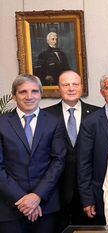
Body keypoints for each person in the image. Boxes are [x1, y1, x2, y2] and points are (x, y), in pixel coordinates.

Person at [0, 74, 66, 233]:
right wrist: (22, 200)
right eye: (23, 92)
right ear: (14, 96)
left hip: (45, 205)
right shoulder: (2, 123)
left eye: (34, 91)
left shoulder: (54, 121)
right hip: (10, 206)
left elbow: (58, 161)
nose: (29, 96)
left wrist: (37, 196)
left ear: (41, 94)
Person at [44, 70, 99, 231]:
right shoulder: (46, 115)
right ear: (58, 88)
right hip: (56, 192)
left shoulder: (96, 114)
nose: (71, 88)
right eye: (65, 84)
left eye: (75, 84)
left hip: (89, 192)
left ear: (82, 87)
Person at [77, 73, 108, 225]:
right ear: (102, 92)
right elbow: (83, 163)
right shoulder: (90, 122)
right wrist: (87, 198)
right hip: (102, 195)